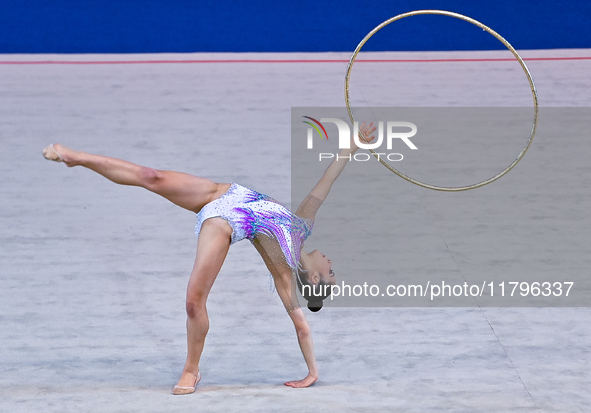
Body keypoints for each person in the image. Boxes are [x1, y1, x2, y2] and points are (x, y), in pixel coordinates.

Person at [42, 121, 376, 394]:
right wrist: (355, 144)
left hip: (224, 223)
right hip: (224, 192)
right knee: (150, 177)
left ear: (314, 278)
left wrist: (312, 372)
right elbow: (328, 178)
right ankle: (77, 157)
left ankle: (191, 369)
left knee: (193, 301)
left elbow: (302, 327)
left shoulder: (283, 273)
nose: (333, 264)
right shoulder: (304, 223)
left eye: (331, 273)